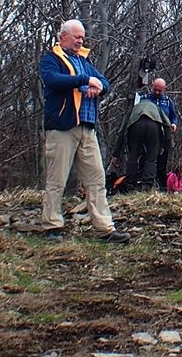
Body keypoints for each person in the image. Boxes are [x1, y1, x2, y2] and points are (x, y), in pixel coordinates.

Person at [39, 19, 129, 243]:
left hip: (87, 129)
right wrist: (84, 80)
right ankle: (52, 226)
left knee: (97, 179)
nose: (81, 40)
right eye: (77, 36)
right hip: (62, 127)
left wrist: (96, 87)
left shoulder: (83, 61)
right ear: (63, 37)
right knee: (57, 179)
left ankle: (105, 228)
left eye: (82, 37)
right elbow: (52, 80)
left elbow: (104, 83)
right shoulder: (51, 59)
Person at [110, 97, 172, 192]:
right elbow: (167, 124)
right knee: (151, 157)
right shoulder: (156, 107)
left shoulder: (135, 108)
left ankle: (130, 184)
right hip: (153, 126)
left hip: (136, 124)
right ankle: (147, 185)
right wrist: (165, 143)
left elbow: (122, 130)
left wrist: (116, 154)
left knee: (133, 155)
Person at [145, 78, 177, 189]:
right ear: (151, 87)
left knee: (162, 161)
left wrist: (174, 124)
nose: (157, 92)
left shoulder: (168, 101)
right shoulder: (144, 99)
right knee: (146, 159)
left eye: (160, 90)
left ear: (165, 89)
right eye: (155, 90)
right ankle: (144, 185)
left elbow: (173, 116)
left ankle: (162, 187)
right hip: (147, 136)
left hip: (164, 136)